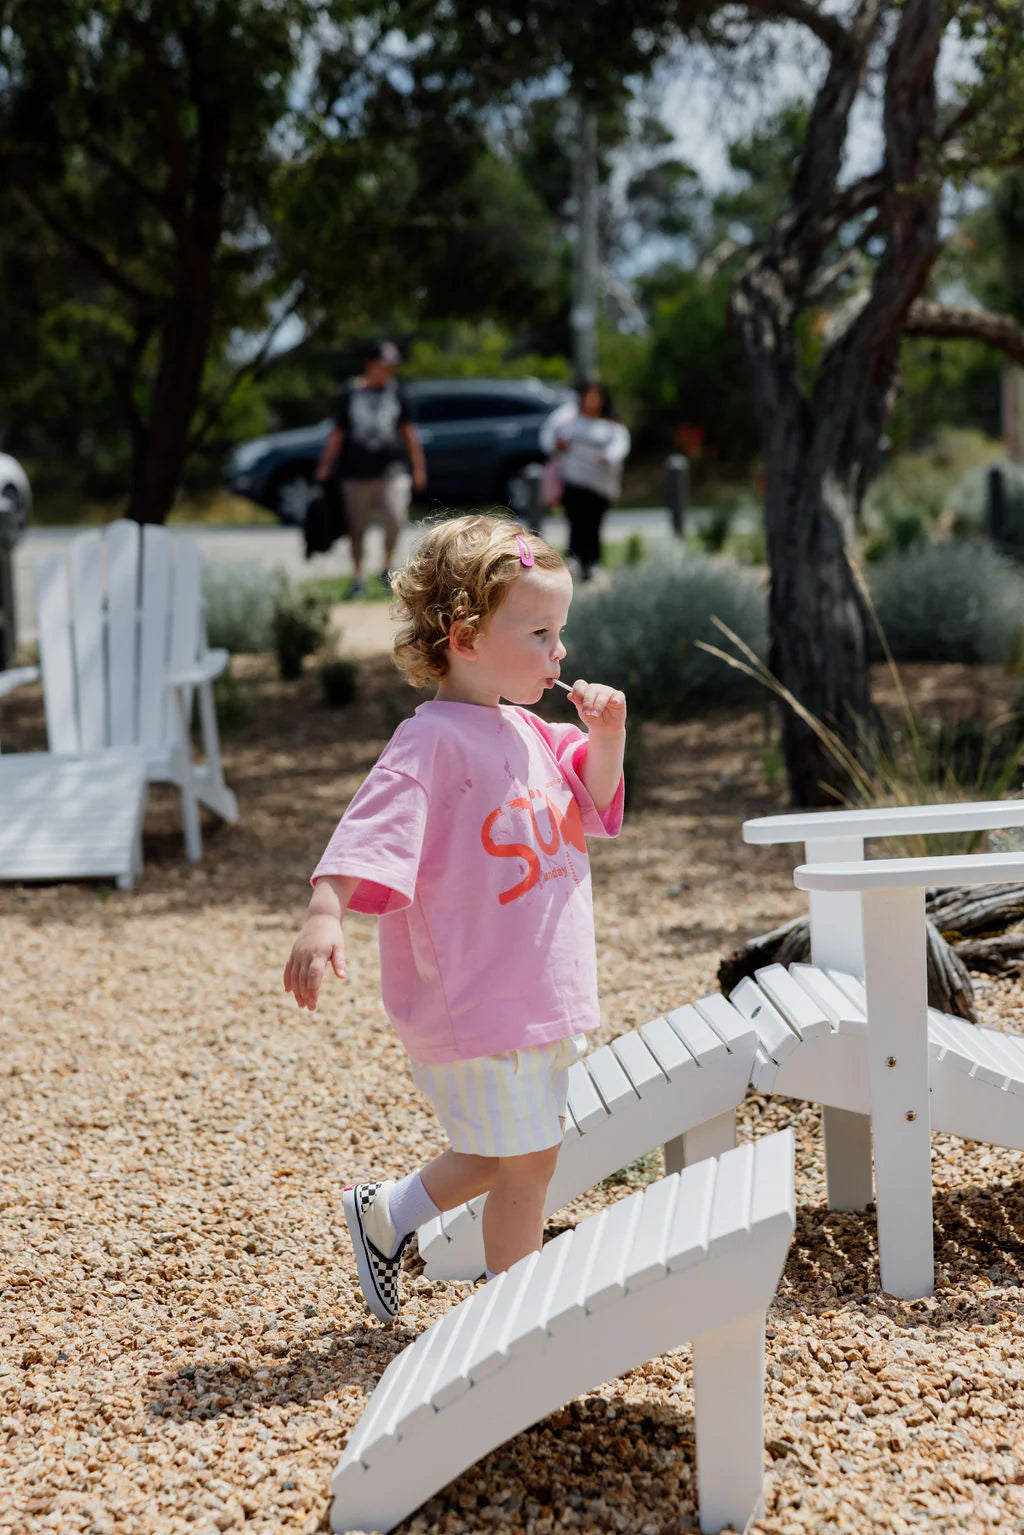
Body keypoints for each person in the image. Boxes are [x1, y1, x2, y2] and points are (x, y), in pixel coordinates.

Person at [283, 514, 626, 1321]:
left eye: (561, 631)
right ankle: (519, 1321)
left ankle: (387, 1213)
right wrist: (324, 909)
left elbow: (597, 797)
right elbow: (368, 829)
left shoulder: (533, 730)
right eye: (540, 632)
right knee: (528, 1159)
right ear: (466, 636)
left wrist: (606, 738)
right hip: (478, 1000)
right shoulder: (429, 743)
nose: (559, 652)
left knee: (496, 1151)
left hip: (535, 997)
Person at [315, 340, 427, 597]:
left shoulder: (397, 392)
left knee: (395, 518)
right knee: (357, 527)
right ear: (370, 365)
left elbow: (409, 432)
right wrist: (325, 465)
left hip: (392, 469)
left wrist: (419, 467)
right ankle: (358, 578)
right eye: (383, 365)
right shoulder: (350, 392)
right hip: (355, 471)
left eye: (391, 366)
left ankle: (386, 568)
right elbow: (338, 432)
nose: (387, 371)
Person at [541, 382, 631, 582]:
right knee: (576, 523)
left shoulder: (611, 426)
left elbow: (620, 447)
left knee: (594, 525)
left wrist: (607, 457)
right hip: (573, 481)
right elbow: (548, 437)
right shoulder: (569, 418)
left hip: (600, 485)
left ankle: (592, 563)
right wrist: (558, 445)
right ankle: (573, 561)